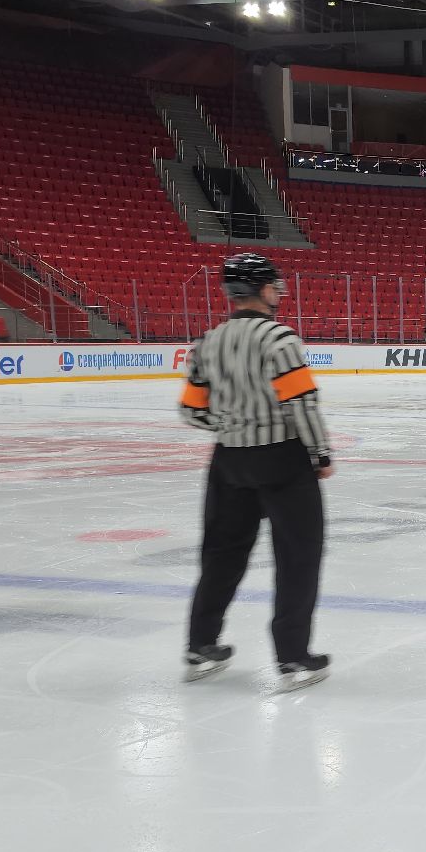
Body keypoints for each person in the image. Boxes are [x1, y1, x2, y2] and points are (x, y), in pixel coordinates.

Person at [178, 254, 333, 692]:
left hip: (228, 462)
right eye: (274, 286)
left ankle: (200, 646)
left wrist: (228, 427)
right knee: (297, 558)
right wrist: (320, 454)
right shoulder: (280, 340)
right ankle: (293, 659)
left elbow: (191, 410)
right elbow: (300, 404)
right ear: (263, 290)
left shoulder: (208, 342)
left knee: (221, 556)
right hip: (283, 460)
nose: (278, 293)